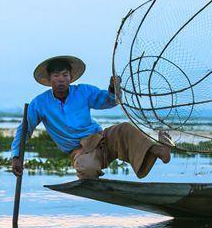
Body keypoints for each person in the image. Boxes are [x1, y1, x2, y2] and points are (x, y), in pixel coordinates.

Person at [11, 55, 172, 179]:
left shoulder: (83, 91)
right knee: (87, 168)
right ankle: (94, 177)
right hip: (80, 151)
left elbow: (108, 101)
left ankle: (160, 151)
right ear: (50, 79)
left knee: (125, 129)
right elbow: (24, 130)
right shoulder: (39, 103)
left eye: (65, 75)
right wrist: (16, 156)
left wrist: (112, 89)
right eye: (56, 75)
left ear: (70, 77)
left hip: (101, 140)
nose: (61, 79)